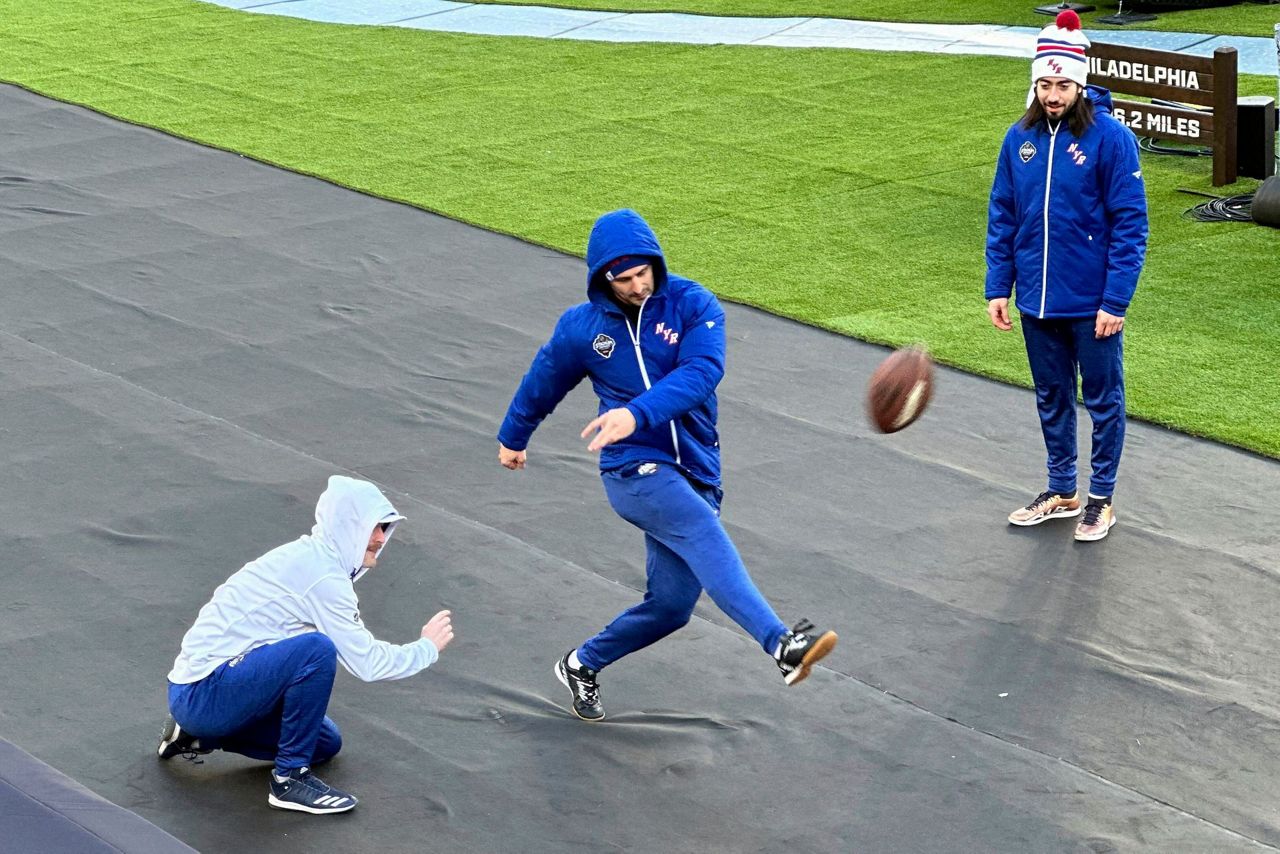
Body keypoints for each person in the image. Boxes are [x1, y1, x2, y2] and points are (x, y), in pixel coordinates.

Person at [496, 208, 837, 722]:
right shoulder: (581, 328)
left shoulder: (692, 304)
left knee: (671, 607)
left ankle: (581, 663)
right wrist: (513, 437)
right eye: (623, 279)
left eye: (642, 273)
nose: (636, 286)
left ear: (656, 263)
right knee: (699, 530)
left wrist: (636, 413)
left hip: (697, 468)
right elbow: (542, 380)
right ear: (602, 279)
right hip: (632, 469)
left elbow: (702, 372)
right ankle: (780, 644)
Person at [157, 475, 454, 814]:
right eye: (372, 527)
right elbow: (368, 664)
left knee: (325, 742)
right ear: (347, 527)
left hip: (205, 695)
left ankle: (194, 735)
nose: (379, 538)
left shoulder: (315, 558)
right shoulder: (322, 576)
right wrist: (426, 648)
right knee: (317, 649)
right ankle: (289, 781)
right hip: (203, 691)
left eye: (385, 528)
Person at [984, 10, 1148, 543]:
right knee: (1051, 396)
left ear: (1080, 83)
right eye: (1046, 84)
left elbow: (1130, 225)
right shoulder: (1020, 137)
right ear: (1035, 83)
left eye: (1063, 84)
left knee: (1103, 401)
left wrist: (1116, 301)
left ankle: (1100, 499)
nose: (1054, 94)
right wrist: (998, 286)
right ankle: (1062, 490)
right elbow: (1004, 214)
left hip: (1092, 304)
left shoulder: (1112, 140)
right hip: (1036, 300)